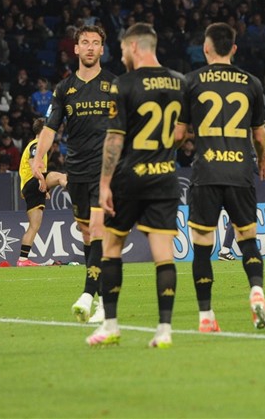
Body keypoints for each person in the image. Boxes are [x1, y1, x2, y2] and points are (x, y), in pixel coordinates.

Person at [87, 23, 185, 349]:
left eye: (122, 50)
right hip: (165, 177)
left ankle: (111, 326)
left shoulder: (124, 83)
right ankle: (164, 330)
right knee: (164, 256)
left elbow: (114, 138)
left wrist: (104, 184)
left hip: (129, 178)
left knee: (112, 247)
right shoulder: (179, 82)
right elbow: (182, 134)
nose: (121, 57)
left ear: (133, 47)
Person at [174, 22, 265, 333]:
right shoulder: (251, 82)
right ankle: (256, 290)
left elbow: (179, 134)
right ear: (233, 48)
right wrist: (261, 158)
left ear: (206, 48)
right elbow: (259, 134)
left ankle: (206, 316)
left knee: (203, 247)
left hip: (206, 173)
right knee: (247, 240)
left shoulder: (191, 81)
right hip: (239, 172)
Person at [30, 25, 117, 325]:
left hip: (106, 172)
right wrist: (38, 159)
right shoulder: (64, 88)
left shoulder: (114, 85)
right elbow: (50, 128)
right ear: (76, 49)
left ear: (102, 49)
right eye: (85, 42)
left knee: (98, 229)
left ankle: (91, 296)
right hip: (76, 171)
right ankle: (102, 298)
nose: (91, 47)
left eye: (96, 43)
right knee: (87, 233)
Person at [17, 118, 68, 266]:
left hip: (29, 189)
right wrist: (42, 180)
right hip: (33, 181)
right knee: (61, 177)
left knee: (34, 225)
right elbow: (33, 164)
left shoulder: (38, 146)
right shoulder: (36, 144)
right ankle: (78, 192)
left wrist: (44, 189)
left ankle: (22, 259)